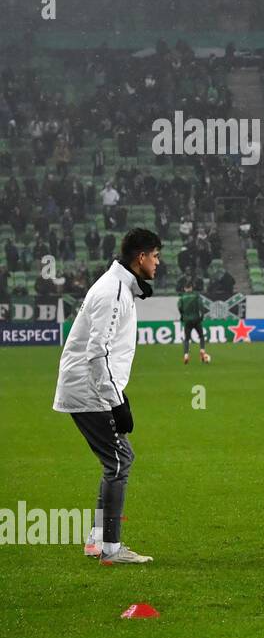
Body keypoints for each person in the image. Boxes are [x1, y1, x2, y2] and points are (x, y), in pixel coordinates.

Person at [53, 228, 162, 565]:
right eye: (155, 256)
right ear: (140, 257)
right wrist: (117, 402)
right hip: (89, 390)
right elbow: (97, 352)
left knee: (115, 460)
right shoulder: (113, 290)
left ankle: (96, 539)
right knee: (120, 461)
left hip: (92, 388)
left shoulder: (117, 287)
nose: (158, 263)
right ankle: (111, 548)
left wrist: (117, 396)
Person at [177, 281, 210, 364]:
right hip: (196, 319)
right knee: (201, 336)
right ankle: (202, 350)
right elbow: (201, 307)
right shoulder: (196, 295)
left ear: (185, 288)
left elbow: (180, 308)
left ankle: (186, 355)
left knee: (187, 339)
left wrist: (182, 316)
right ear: (191, 287)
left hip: (187, 320)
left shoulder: (182, 297)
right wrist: (201, 316)